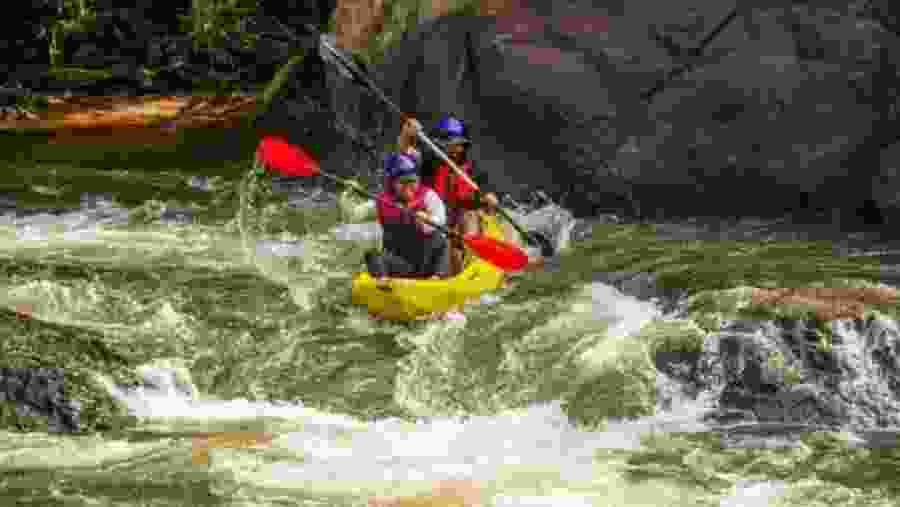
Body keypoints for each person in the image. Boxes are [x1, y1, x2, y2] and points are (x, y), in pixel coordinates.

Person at [426, 115, 501, 275]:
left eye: (459, 145)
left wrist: (489, 198)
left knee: (469, 217)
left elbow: (486, 193)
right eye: (451, 145)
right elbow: (406, 157)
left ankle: (471, 267)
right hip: (441, 226)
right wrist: (406, 136)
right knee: (448, 243)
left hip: (465, 226)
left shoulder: (472, 170)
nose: (456, 149)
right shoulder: (429, 166)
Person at [364, 151, 451, 281]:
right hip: (401, 265)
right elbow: (354, 214)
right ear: (393, 183)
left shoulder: (428, 196)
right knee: (372, 254)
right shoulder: (382, 201)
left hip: (427, 263)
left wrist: (426, 221)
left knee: (443, 242)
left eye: (412, 181)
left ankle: (437, 278)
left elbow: (441, 221)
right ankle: (383, 282)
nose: (408, 186)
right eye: (403, 182)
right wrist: (349, 195)